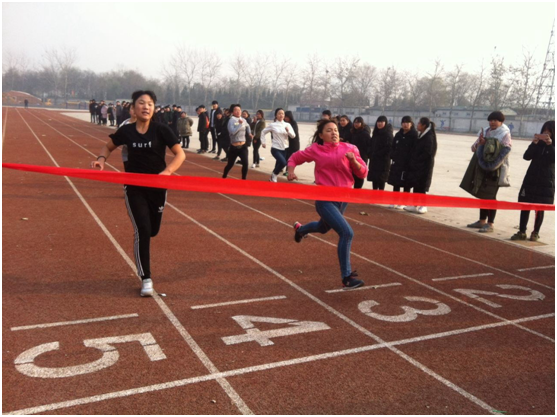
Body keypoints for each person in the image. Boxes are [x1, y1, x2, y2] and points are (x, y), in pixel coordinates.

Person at [90, 90, 185, 296]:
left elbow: (180, 154)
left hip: (158, 188)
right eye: (141, 103)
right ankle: (146, 278)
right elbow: (108, 147)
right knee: (142, 230)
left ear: (154, 108)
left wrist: (168, 172)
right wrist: (101, 159)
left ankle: (146, 269)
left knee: (153, 230)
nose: (146, 107)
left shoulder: (162, 130)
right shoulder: (127, 131)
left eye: (150, 103)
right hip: (134, 188)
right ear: (133, 109)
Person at [287, 119, 368, 289]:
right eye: (329, 130)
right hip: (324, 199)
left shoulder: (350, 148)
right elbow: (295, 157)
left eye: (336, 130)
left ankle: (301, 230)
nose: (334, 133)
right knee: (347, 233)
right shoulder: (316, 150)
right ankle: (346, 277)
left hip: (343, 199)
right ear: (322, 135)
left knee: (323, 228)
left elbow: (362, 173)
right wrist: (291, 170)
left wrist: (353, 161)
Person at [461, 111, 512, 233]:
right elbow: (474, 148)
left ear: (501, 122)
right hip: (482, 168)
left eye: (496, 120)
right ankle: (482, 220)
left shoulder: (504, 134)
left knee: (491, 196)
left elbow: (505, 151)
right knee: (482, 193)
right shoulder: (485, 132)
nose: (492, 122)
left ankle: (490, 223)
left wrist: (492, 166)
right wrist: (480, 144)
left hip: (495, 170)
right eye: (491, 120)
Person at [511, 120, 555, 242]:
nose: (546, 133)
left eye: (549, 131)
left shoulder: (553, 146)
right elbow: (526, 157)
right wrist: (534, 144)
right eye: (544, 130)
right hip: (531, 178)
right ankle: (522, 231)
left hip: (546, 182)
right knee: (525, 205)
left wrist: (550, 145)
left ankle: (535, 232)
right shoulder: (538, 144)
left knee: (540, 208)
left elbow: (553, 159)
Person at [404, 117, 438, 214]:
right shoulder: (421, 135)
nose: (417, 125)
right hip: (417, 166)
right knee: (416, 185)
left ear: (424, 125)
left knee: (422, 186)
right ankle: (414, 205)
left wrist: (417, 160)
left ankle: (423, 205)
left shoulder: (429, 136)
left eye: (419, 123)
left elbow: (427, 153)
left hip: (424, 166)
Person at [388, 115, 417, 209]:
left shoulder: (414, 135)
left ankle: (404, 202)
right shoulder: (398, 135)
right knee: (396, 183)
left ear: (411, 124)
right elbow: (392, 147)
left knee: (406, 184)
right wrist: (393, 155)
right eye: (403, 123)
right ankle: (394, 201)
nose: (405, 125)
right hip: (397, 163)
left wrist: (411, 161)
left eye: (407, 123)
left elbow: (415, 150)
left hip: (408, 164)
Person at [261, 108, 295, 182]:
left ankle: (272, 177)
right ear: (276, 115)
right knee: (283, 163)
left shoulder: (287, 125)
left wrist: (288, 131)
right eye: (279, 113)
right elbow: (263, 132)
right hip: (275, 148)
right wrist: (263, 142)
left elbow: (293, 136)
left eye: (282, 113)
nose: (281, 115)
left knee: (279, 164)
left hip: (285, 148)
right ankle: (274, 175)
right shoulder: (273, 125)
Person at [222, 104, 252, 180]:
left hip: (243, 146)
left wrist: (249, 133)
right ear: (232, 112)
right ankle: (224, 177)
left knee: (245, 163)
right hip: (234, 147)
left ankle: (243, 180)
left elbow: (247, 126)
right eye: (236, 110)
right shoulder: (231, 121)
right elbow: (232, 132)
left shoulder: (243, 120)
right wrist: (239, 124)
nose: (238, 112)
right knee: (230, 164)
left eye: (239, 110)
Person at [368, 115, 393, 190]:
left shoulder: (388, 134)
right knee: (374, 179)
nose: (380, 124)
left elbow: (389, 148)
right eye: (378, 122)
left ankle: (380, 196)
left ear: (385, 123)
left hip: (383, 161)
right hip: (374, 160)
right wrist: (370, 153)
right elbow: (371, 144)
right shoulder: (375, 133)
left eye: (382, 122)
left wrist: (378, 153)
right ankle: (374, 195)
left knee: (381, 180)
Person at [348, 117, 372, 189]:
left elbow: (369, 145)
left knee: (360, 173)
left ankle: (358, 189)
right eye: (355, 122)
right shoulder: (353, 132)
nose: (356, 124)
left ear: (362, 123)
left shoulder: (365, 133)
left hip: (362, 156)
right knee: (353, 173)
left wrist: (366, 154)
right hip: (353, 156)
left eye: (358, 123)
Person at [284, 111, 300, 176]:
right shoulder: (285, 123)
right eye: (285, 117)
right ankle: (286, 170)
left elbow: (294, 133)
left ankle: (289, 171)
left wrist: (288, 130)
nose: (285, 118)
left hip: (294, 143)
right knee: (287, 157)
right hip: (287, 143)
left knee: (291, 158)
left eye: (287, 117)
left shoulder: (294, 123)